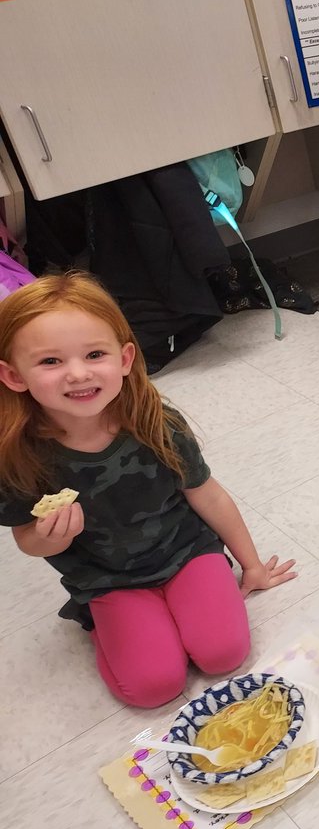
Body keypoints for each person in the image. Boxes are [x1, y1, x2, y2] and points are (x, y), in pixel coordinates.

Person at [0, 273, 297, 708]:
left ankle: (175, 607)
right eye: (50, 362)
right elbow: (25, 536)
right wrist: (48, 539)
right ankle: (105, 622)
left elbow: (207, 494)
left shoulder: (157, 423)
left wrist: (251, 566)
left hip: (187, 552)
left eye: (94, 354)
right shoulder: (18, 454)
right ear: (13, 376)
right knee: (154, 687)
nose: (78, 374)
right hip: (107, 578)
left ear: (124, 358)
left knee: (223, 655)